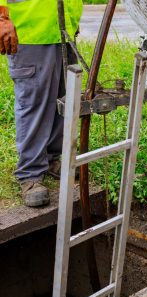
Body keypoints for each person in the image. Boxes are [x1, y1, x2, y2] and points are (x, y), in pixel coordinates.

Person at [0, 0, 82, 207]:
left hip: (62, 30)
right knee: (34, 104)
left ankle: (52, 159)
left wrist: (72, 20)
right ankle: (30, 174)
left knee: (62, 98)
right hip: (30, 32)